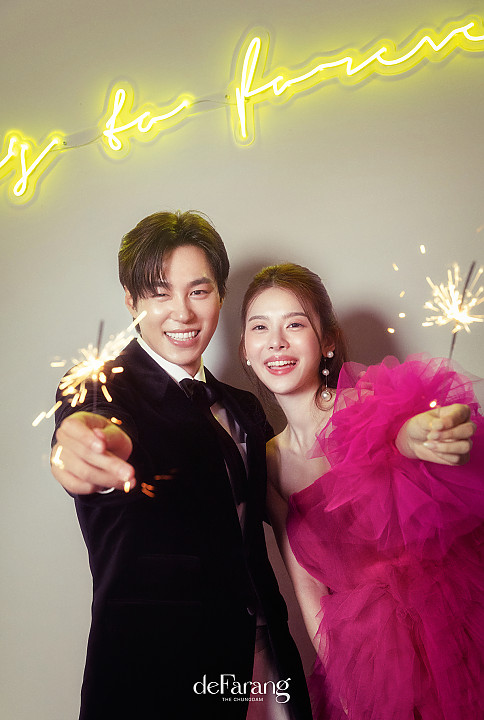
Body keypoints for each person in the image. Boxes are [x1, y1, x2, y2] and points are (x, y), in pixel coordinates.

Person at [50, 213, 313, 720]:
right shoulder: (98, 385)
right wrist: (90, 445)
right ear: (131, 302)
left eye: (199, 291)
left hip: (263, 664)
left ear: (220, 295)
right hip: (158, 677)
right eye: (159, 293)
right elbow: (92, 425)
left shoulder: (243, 406)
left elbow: (297, 496)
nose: (182, 313)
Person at [241, 262, 484, 720]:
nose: (276, 342)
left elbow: (399, 435)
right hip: (365, 660)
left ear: (327, 342)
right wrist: (347, 684)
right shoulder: (268, 461)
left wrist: (411, 438)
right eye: (260, 327)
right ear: (246, 350)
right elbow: (308, 586)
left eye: (295, 324)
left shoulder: (366, 403)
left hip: (444, 630)